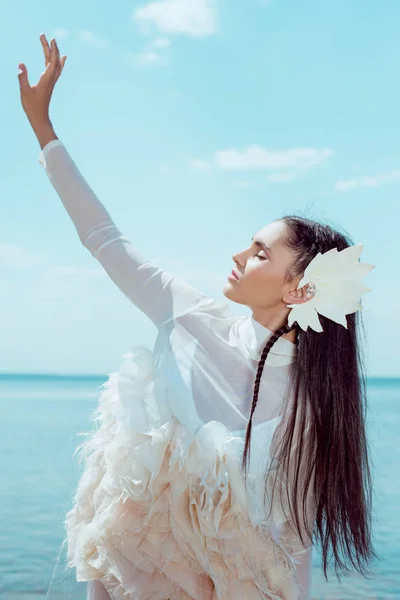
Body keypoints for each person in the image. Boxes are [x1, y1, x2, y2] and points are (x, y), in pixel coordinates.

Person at [18, 35, 378, 600]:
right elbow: (104, 238)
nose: (238, 256)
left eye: (261, 252)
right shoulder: (187, 314)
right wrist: (44, 130)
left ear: (300, 289)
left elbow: (288, 561)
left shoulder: (313, 405)